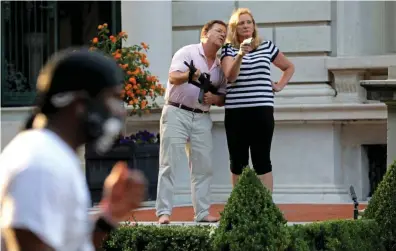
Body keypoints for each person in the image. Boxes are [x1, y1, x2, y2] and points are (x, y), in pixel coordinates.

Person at [0, 49, 147, 251]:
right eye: (111, 98)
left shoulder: (52, 155)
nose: (120, 110)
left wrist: (109, 216)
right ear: (80, 105)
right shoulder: (41, 164)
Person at [156, 20, 228, 224]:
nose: (222, 35)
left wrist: (214, 99)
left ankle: (203, 213)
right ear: (204, 33)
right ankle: (164, 212)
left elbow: (223, 96)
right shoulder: (187, 53)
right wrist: (191, 74)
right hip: (176, 112)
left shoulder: (221, 66)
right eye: (218, 31)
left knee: (203, 167)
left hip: (202, 117)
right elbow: (173, 77)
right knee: (168, 163)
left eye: (225, 33)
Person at [220, 8, 295, 193]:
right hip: (236, 112)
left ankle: (265, 208)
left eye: (248, 22)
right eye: (241, 23)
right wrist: (240, 55)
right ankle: (240, 205)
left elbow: (289, 67)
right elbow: (230, 77)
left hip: (262, 110)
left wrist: (279, 85)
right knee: (238, 161)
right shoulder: (228, 50)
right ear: (234, 28)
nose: (245, 26)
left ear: (254, 26)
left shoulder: (266, 46)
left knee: (262, 159)